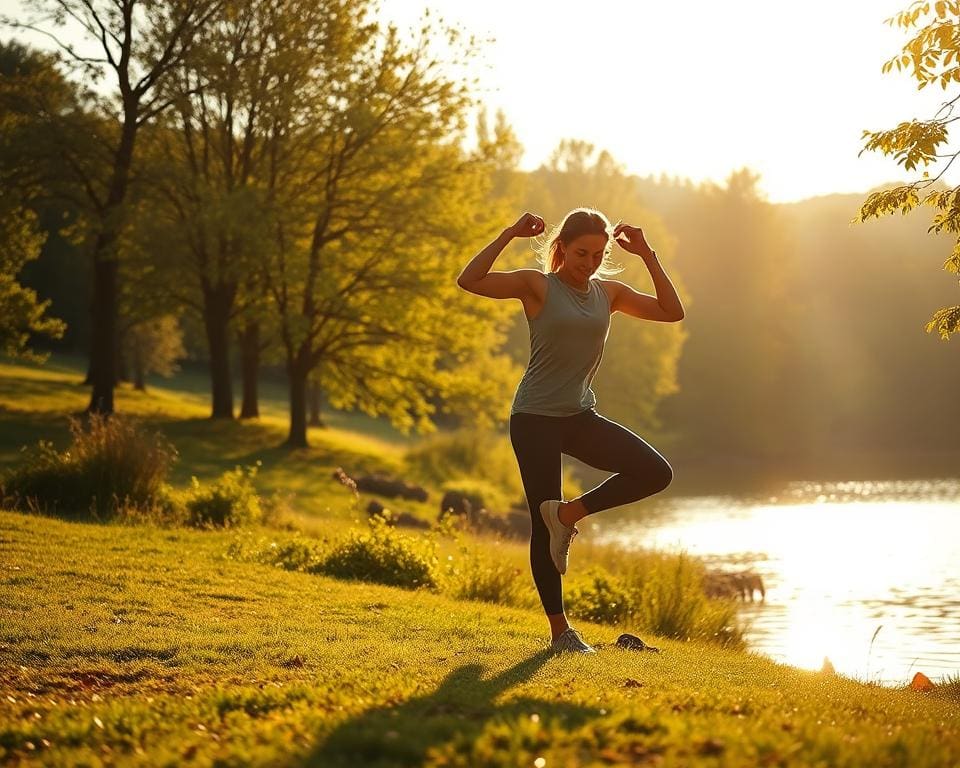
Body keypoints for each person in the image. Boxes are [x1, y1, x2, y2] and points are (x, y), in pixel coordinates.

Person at [456, 207, 684, 654]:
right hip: (535, 419)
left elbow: (671, 312)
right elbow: (471, 280)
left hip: (580, 416)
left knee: (655, 472)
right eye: (582, 253)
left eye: (599, 255)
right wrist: (510, 233)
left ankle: (567, 515)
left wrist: (647, 254)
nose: (590, 263)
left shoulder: (609, 294)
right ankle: (561, 633)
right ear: (561, 247)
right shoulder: (537, 286)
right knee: (541, 526)